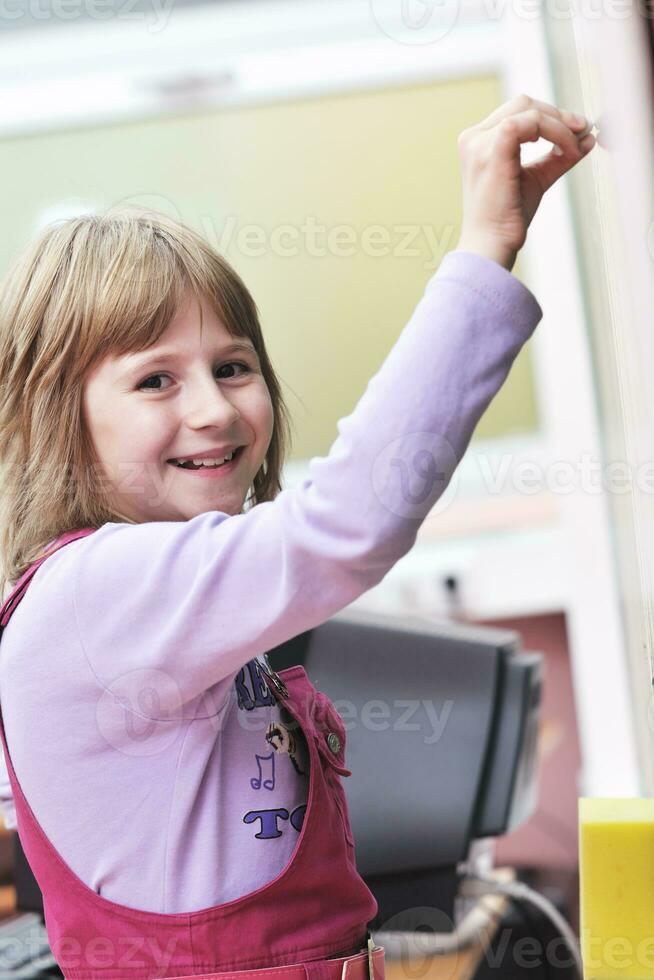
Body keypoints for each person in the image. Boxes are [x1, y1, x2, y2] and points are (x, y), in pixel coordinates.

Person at [0, 95, 595, 979]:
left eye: (232, 366)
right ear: (59, 419)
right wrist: (484, 247)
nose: (213, 408)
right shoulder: (98, 593)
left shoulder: (148, 597)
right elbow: (346, 522)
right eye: (155, 380)